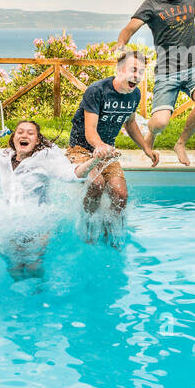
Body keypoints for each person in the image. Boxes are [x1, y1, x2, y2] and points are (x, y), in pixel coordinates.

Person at [0, 120, 99, 274]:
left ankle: (38, 294)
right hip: (11, 221)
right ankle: (18, 297)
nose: (24, 135)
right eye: (20, 132)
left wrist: (95, 160)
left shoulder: (45, 159)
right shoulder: (4, 156)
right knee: (14, 267)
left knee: (33, 266)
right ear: (13, 137)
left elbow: (71, 173)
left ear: (37, 141)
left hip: (38, 224)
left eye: (30, 133)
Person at [116, 0, 195, 166]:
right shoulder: (151, 4)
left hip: (193, 67)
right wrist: (121, 46)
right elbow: (129, 29)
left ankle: (180, 143)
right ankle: (151, 131)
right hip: (166, 71)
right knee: (160, 123)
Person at [67, 49, 159, 243]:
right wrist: (100, 146)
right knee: (97, 184)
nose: (137, 76)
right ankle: (88, 224)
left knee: (121, 195)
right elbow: (90, 131)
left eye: (141, 72)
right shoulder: (97, 90)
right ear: (119, 70)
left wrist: (146, 148)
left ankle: (111, 232)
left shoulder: (134, 95)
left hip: (107, 151)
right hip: (81, 149)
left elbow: (130, 123)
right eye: (133, 70)